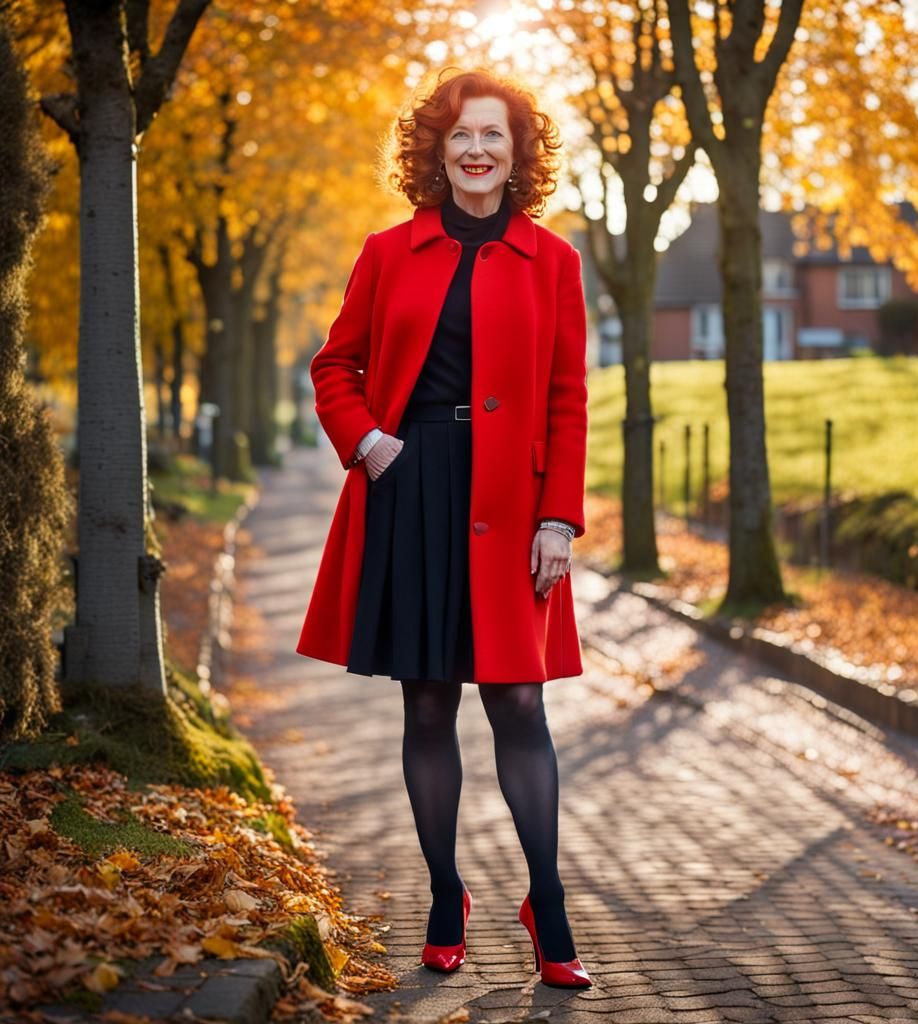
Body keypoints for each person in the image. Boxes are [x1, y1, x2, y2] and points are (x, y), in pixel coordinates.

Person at [296, 66, 591, 989]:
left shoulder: (557, 262)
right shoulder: (388, 252)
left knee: (517, 701)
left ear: (518, 152)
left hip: (513, 504)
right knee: (427, 700)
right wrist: (368, 444)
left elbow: (569, 398)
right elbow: (333, 365)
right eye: (461, 134)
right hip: (411, 485)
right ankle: (443, 892)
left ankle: (546, 900)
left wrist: (560, 518)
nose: (475, 149)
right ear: (437, 148)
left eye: (493, 135)